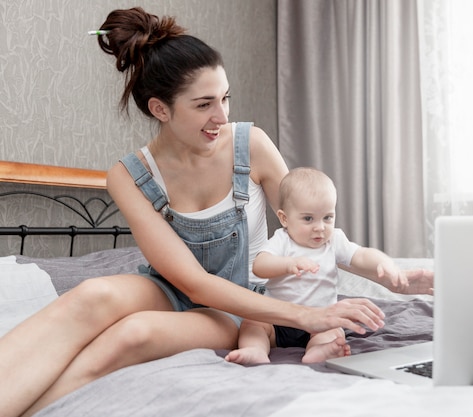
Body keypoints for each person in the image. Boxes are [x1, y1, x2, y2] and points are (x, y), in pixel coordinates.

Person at [0, 7, 433, 417]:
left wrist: (388, 275)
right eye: (204, 104)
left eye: (225, 98)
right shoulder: (128, 176)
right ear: (160, 109)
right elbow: (191, 282)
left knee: (132, 334)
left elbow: (310, 230)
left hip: (243, 304)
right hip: (179, 288)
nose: (221, 116)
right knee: (91, 295)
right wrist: (307, 316)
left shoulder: (252, 144)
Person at [226, 167, 418, 365]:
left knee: (334, 332)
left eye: (327, 217)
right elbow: (260, 265)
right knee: (253, 324)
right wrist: (288, 264)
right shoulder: (282, 240)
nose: (320, 227)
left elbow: (360, 255)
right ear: (284, 218)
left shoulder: (333, 240)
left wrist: (385, 263)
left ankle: (318, 350)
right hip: (279, 320)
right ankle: (255, 350)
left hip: (321, 320)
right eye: (308, 219)